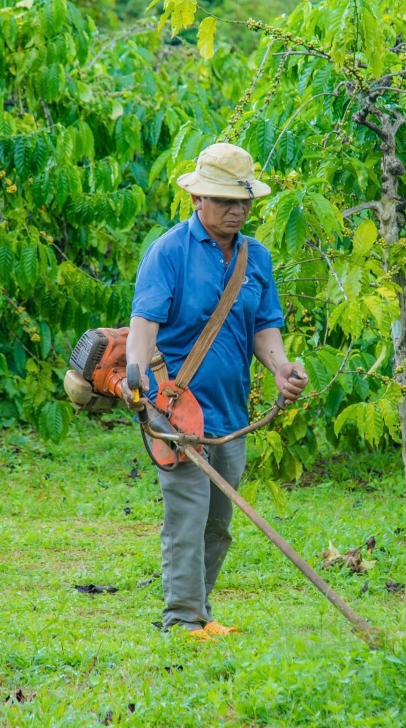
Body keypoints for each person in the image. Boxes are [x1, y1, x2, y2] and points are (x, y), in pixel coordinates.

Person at [121, 142, 308, 637]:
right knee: (186, 515)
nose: (237, 209)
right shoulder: (168, 252)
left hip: (231, 414)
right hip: (177, 411)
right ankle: (181, 620)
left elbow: (265, 329)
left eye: (243, 201)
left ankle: (199, 612)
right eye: (225, 200)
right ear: (197, 200)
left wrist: (282, 368)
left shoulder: (256, 257)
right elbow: (143, 327)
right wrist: (138, 383)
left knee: (218, 522)